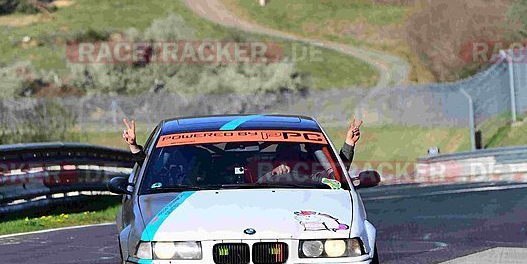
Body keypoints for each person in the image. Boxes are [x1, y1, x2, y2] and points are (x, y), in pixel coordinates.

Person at [122, 117, 362, 176]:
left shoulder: (304, 174)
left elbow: (335, 174)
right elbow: (149, 171)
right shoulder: (193, 174)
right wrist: (135, 147)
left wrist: (348, 144)